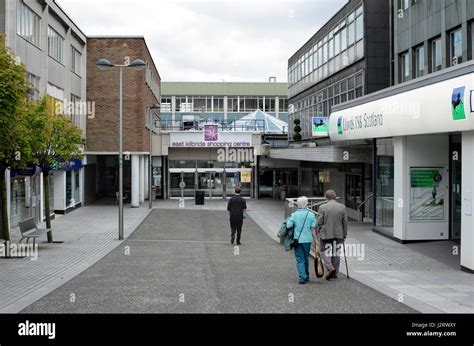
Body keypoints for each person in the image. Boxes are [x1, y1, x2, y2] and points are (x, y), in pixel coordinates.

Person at [317, 190, 348, 281]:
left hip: (326, 233)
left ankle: (330, 267)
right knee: (336, 253)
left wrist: (317, 228)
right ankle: (335, 273)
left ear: (326, 197)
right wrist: (344, 234)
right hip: (339, 234)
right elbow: (345, 222)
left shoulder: (322, 207)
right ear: (335, 197)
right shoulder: (342, 207)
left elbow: (319, 221)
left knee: (323, 250)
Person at [287, 196, 317, 284]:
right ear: (306, 204)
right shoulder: (311, 214)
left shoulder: (294, 214)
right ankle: (307, 275)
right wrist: (316, 240)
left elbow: (288, 225)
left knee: (300, 259)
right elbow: (313, 229)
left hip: (297, 240)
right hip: (308, 240)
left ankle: (302, 277)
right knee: (306, 257)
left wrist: (290, 219)